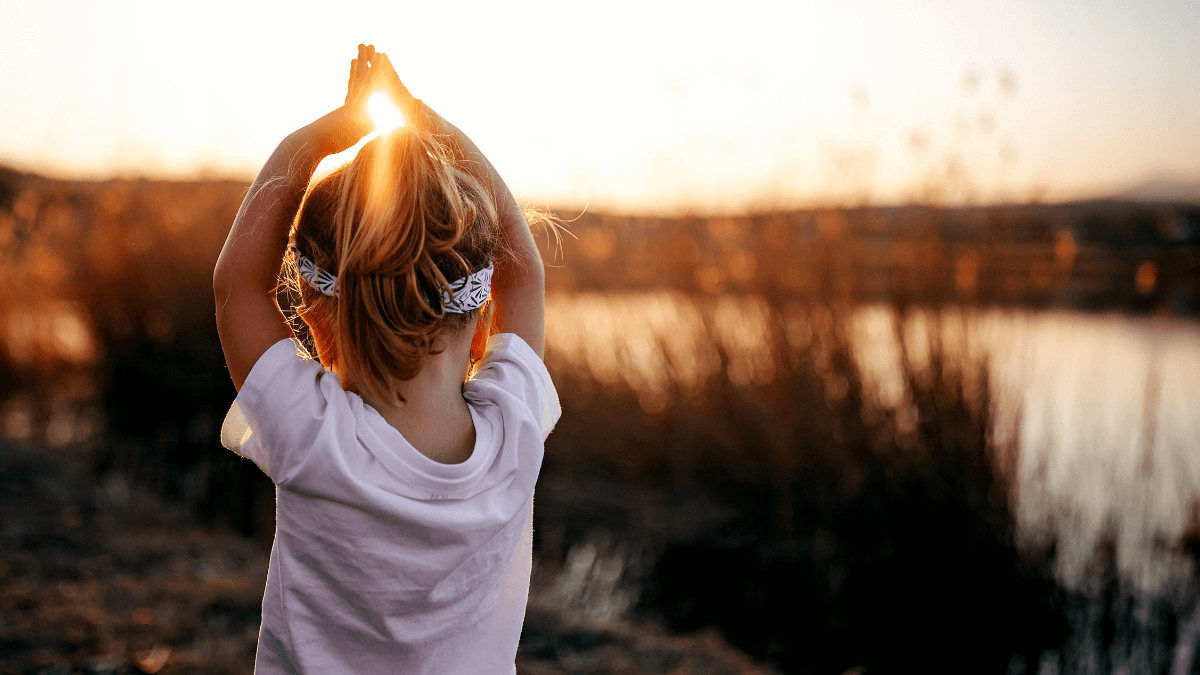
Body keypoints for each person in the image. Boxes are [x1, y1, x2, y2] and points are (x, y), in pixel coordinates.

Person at [212, 44, 560, 674]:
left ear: (316, 314)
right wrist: (427, 122)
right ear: (480, 319)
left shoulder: (314, 437)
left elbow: (236, 282)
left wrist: (314, 142)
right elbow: (524, 271)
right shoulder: (516, 431)